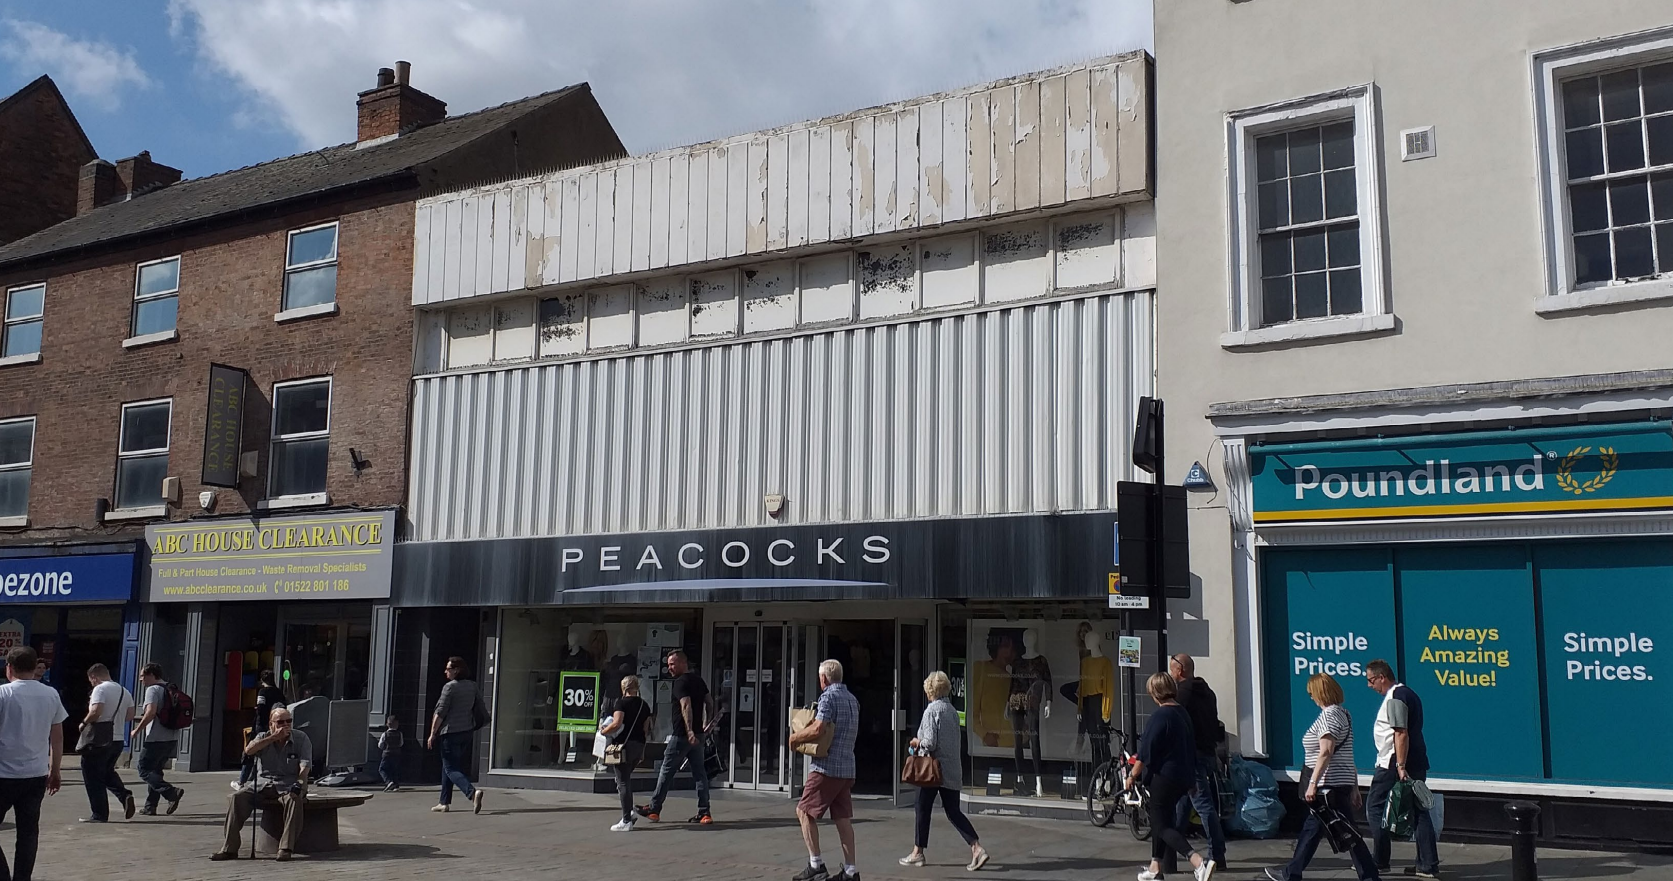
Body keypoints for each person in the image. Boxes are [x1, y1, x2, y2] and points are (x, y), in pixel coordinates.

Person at [1265, 673, 1379, 881]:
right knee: (1321, 829)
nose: (1310, 698)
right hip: (1338, 782)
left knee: (1346, 832)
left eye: (1311, 693)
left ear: (1320, 692)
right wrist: (1353, 786)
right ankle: (1292, 872)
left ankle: (1369, 876)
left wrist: (1313, 784)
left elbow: (1326, 751)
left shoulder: (1329, 716)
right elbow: (1347, 754)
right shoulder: (1345, 714)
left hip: (1328, 785)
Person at [1123, 672, 1215, 881]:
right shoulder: (1182, 713)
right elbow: (1191, 747)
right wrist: (1191, 780)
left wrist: (1132, 776)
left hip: (1163, 777)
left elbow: (1145, 752)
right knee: (1161, 821)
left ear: (1155, 693)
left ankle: (1198, 862)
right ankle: (1155, 868)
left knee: (1161, 825)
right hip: (1182, 777)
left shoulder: (1160, 716)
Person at [899, 671, 988, 872]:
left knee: (922, 808)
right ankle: (976, 847)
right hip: (952, 768)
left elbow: (930, 742)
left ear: (931, 690)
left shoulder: (932, 711)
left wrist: (916, 741)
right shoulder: (952, 711)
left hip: (931, 769)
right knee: (953, 812)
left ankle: (917, 853)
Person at [788, 659, 861, 881]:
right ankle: (850, 871)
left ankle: (816, 864)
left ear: (823, 678)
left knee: (804, 811)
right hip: (847, 767)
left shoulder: (828, 696)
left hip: (826, 767)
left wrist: (795, 738)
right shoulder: (852, 699)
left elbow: (819, 728)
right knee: (842, 817)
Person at [1365, 661, 1438, 879]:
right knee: (1419, 812)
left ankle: (1380, 861)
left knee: (1375, 807)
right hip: (1415, 760)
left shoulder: (1396, 697)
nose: (1369, 686)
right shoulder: (1409, 694)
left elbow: (1401, 733)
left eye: (1370, 680)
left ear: (1382, 677)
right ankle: (1427, 865)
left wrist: (1400, 766)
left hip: (1394, 763)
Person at [210, 706, 312, 861]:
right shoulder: (263, 737)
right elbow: (249, 750)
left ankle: (285, 848)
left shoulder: (301, 738)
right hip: (262, 783)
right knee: (236, 797)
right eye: (280, 722)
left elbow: (305, 765)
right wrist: (272, 738)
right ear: (271, 724)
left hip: (288, 783)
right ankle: (229, 848)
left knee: (294, 799)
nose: (285, 725)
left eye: (289, 721)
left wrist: (299, 781)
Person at [0, 647, 65, 881]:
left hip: (4, 773)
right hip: (35, 773)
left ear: (10, 667)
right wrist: (55, 769)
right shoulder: (51, 695)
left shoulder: (3, 694)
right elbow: (57, 736)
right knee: (28, 833)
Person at [636, 650, 717, 824]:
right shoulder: (699, 680)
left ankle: (654, 808)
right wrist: (705, 725)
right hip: (698, 736)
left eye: (672, 664)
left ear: (683, 663)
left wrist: (689, 731)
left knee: (666, 771)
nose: (669, 668)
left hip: (682, 736)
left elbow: (686, 705)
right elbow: (709, 702)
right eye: (668, 664)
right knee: (700, 774)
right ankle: (705, 812)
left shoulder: (681, 682)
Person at [1170, 654, 1228, 872]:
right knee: (1182, 802)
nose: (1171, 675)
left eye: (1172, 670)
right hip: (1206, 752)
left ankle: (1217, 855)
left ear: (1181, 670)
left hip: (1190, 755)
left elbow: (1177, 723)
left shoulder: (1182, 693)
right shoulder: (1207, 692)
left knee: (1202, 804)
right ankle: (1170, 846)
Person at [428, 656, 486, 814]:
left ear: (457, 670)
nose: (446, 671)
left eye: (449, 669)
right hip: (466, 731)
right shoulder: (472, 686)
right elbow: (480, 706)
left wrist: (433, 733)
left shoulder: (449, 687)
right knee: (450, 766)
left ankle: (472, 793)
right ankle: (444, 802)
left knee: (451, 767)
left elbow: (440, 712)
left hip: (450, 732)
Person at [78, 664, 136, 822]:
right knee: (107, 772)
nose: (91, 684)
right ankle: (125, 795)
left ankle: (99, 814)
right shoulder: (125, 691)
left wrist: (83, 723)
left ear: (94, 677)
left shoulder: (100, 689)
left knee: (92, 777)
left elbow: (96, 710)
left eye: (91, 680)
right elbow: (130, 715)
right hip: (117, 739)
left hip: (98, 740)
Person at [599, 674, 652, 832]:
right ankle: (629, 812)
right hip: (638, 745)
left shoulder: (621, 703)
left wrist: (604, 731)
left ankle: (626, 820)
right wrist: (642, 751)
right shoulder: (644, 705)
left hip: (623, 747)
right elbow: (646, 729)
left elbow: (616, 723)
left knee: (622, 782)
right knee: (626, 780)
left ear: (624, 688)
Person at [132, 663, 185, 816]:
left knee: (143, 769)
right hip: (172, 737)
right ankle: (150, 806)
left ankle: (171, 792)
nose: (141, 680)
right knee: (155, 771)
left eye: (143, 676)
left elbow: (150, 713)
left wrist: (137, 730)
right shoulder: (170, 688)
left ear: (151, 675)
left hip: (156, 738)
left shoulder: (152, 690)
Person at [237, 670, 288, 788]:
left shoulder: (263, 691)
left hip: (262, 725)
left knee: (251, 751)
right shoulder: (279, 693)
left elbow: (260, 709)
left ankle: (242, 780)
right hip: (276, 726)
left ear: (262, 680)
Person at [378, 716, 404, 792]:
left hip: (386, 753)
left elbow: (380, 745)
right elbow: (401, 744)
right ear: (397, 724)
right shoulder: (400, 734)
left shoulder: (385, 734)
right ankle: (396, 785)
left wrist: (384, 748)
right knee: (394, 769)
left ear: (387, 724)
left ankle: (388, 782)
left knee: (382, 769)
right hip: (396, 753)